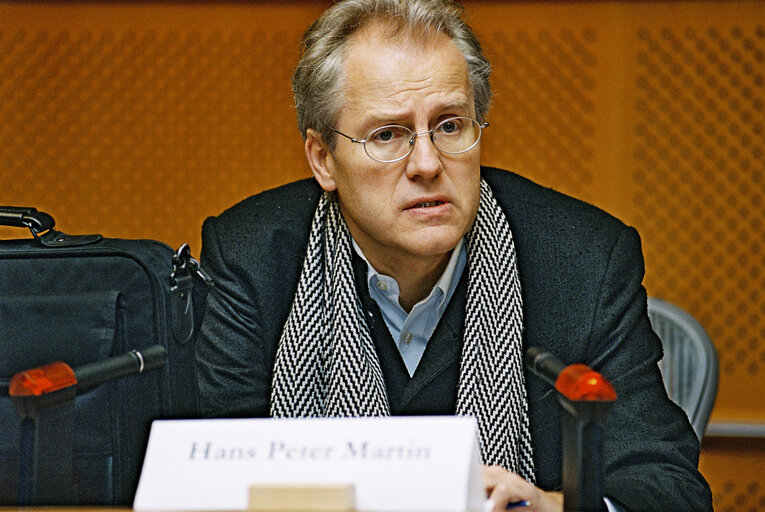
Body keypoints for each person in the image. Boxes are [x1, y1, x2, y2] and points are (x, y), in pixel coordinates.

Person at [195, 1, 712, 510]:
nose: (426, 163)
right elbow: (210, 483)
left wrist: (556, 508)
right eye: (387, 135)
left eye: (449, 126)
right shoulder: (251, 259)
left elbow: (668, 486)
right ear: (323, 158)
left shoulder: (585, 262)